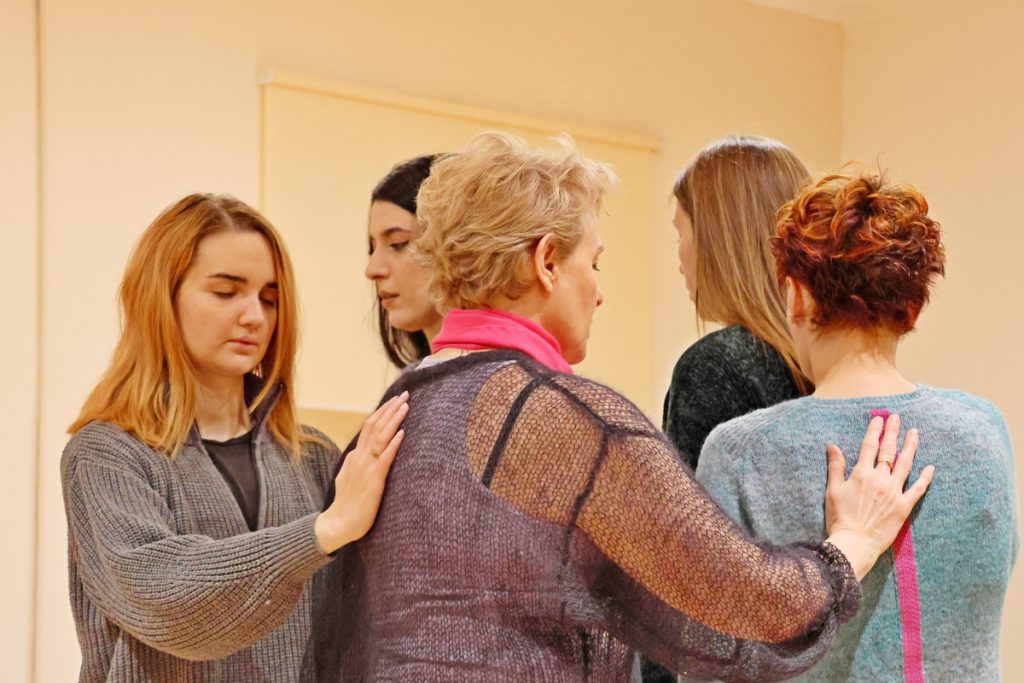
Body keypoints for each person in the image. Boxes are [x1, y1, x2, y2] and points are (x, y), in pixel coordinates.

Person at [303, 133, 934, 682]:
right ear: (547, 262)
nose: (599, 293)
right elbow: (754, 601)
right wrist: (851, 542)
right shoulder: (563, 420)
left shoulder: (400, 406)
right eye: (594, 263)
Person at [61, 193, 408, 682]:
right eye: (226, 292)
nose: (255, 317)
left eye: (269, 299)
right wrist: (322, 532)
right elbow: (166, 602)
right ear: (160, 297)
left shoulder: (313, 457)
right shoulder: (107, 455)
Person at [696, 173, 1019, 681]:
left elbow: (711, 661)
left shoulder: (740, 454)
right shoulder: (985, 430)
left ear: (798, 297)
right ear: (911, 305)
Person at [664, 135, 812, 472]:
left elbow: (684, 507)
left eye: (680, 234)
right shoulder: (831, 361)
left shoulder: (713, 366)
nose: (680, 262)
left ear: (717, 239)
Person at [365, 154, 444, 368]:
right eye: (372, 248)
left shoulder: (510, 378)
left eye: (398, 243)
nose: (372, 269)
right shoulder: (416, 379)